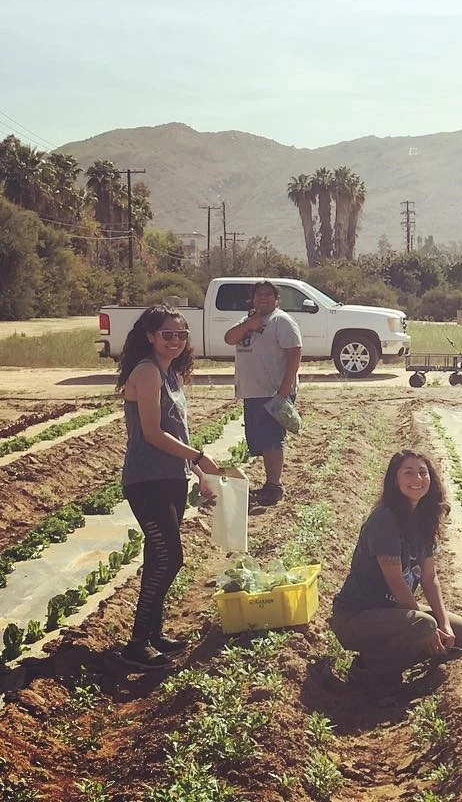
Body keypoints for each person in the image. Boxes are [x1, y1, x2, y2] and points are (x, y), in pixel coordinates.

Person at [117, 305, 221, 671]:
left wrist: (194, 471)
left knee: (157, 556)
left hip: (170, 478)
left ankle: (153, 633)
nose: (175, 341)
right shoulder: (146, 372)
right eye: (167, 335)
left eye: (180, 335)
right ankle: (136, 643)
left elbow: (177, 429)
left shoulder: (170, 372)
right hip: (146, 480)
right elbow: (152, 433)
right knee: (169, 558)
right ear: (150, 336)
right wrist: (199, 457)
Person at [329, 450, 462, 697]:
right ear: (394, 480)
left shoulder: (424, 518)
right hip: (356, 617)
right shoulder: (385, 520)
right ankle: (368, 670)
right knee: (424, 625)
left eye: (422, 472)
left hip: (392, 613)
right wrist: (428, 625)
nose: (417, 478)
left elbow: (429, 578)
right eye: (408, 472)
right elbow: (396, 581)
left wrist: (445, 625)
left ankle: (391, 660)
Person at [224, 281, 302, 507]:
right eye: (259, 295)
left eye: (269, 295)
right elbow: (230, 338)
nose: (263, 299)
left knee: (272, 441)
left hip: (273, 391)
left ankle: (274, 486)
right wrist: (250, 324)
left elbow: (295, 353)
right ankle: (269, 484)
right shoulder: (249, 320)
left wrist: (285, 389)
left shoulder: (282, 321)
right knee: (261, 441)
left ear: (277, 299)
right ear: (253, 299)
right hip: (253, 391)